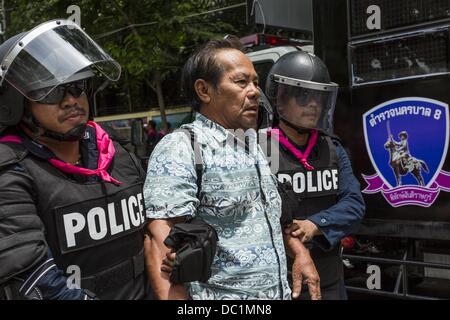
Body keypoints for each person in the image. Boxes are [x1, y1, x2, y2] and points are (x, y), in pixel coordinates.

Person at [143, 38, 320, 300]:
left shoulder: (253, 143)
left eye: (256, 82)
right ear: (204, 90)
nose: (254, 92)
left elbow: (265, 217)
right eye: (241, 82)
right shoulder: (181, 147)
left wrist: (300, 252)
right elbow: (159, 243)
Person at [0, 19, 149, 300]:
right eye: (52, 90)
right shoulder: (10, 171)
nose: (71, 100)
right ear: (16, 102)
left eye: (77, 86)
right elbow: (32, 277)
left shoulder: (117, 152)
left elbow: (156, 229)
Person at [262, 51, 365, 300]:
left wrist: (314, 224)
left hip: (330, 281)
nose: (313, 105)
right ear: (280, 99)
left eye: (319, 97)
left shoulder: (333, 149)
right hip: (281, 285)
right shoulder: (260, 150)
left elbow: (354, 205)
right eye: (303, 96)